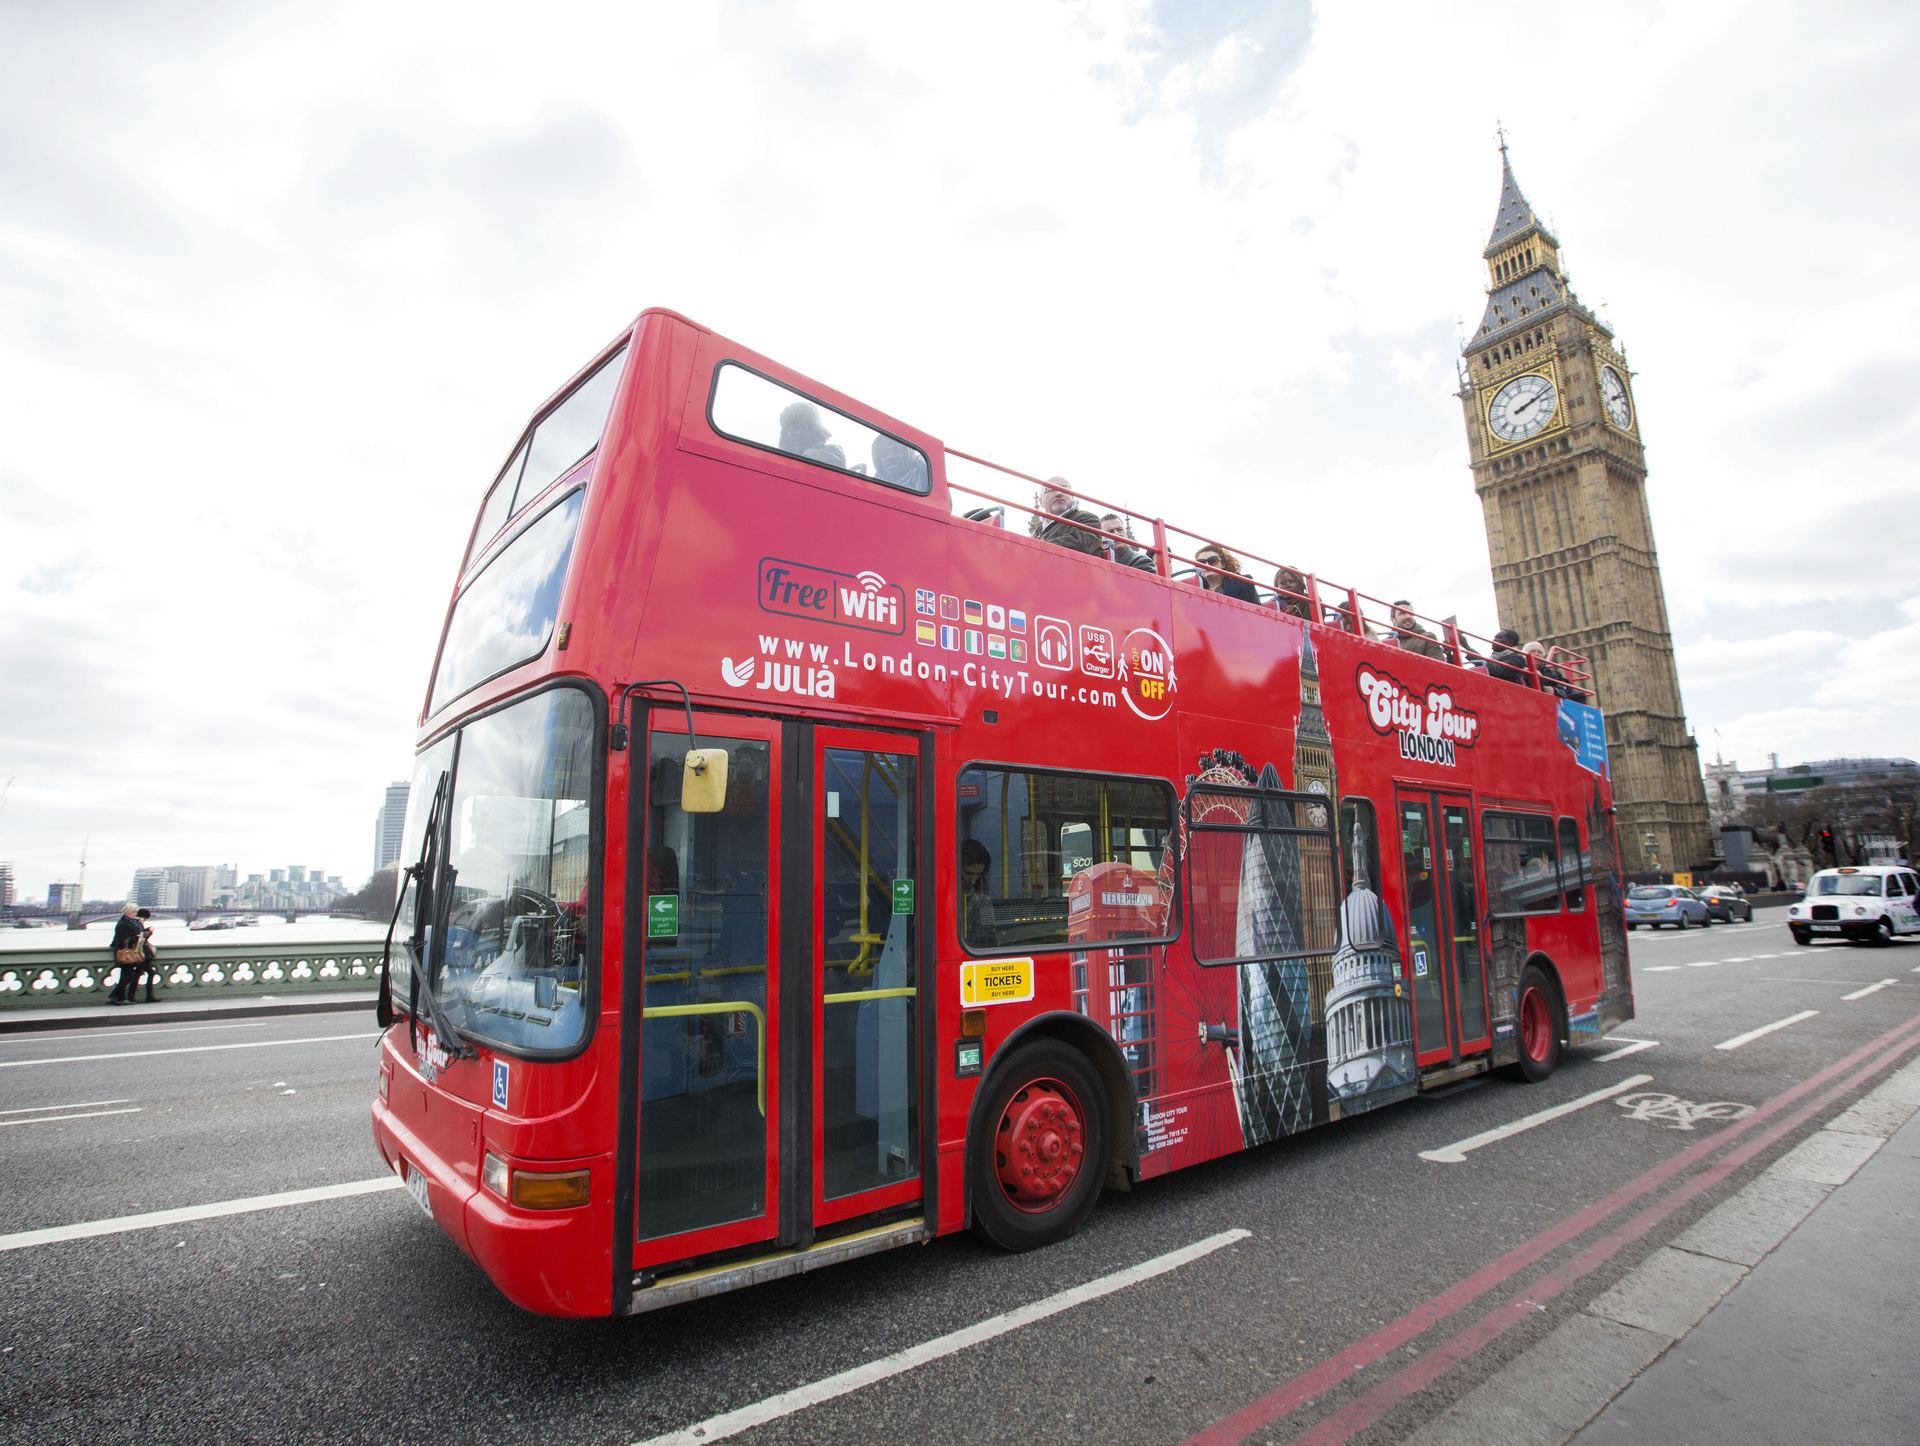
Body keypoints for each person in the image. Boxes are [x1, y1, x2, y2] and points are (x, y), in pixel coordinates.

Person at [1031, 478, 1106, 557]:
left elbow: (1083, 542)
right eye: (1051, 489)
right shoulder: (1038, 530)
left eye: (1064, 488)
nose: (1059, 493)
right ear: (1041, 501)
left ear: (1072, 497)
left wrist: (1040, 546)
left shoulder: (1087, 518)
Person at [777, 400, 845, 467]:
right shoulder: (778, 459)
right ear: (785, 433)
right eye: (792, 428)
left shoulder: (833, 453)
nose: (798, 433)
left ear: (815, 431)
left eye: (804, 427)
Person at [960, 839, 999, 947]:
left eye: (978, 875)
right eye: (968, 873)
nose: (973, 880)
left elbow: (990, 938)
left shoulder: (982, 901)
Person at [1194, 544, 1261, 604]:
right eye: (1201, 562)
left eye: (1212, 560)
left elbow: (1257, 611)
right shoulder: (1194, 588)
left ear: (1223, 564)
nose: (1207, 565)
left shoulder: (1242, 582)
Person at [107, 903, 143, 1005]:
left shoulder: (133, 922)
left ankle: (118, 997)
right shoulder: (123, 924)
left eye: (136, 911)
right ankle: (115, 996)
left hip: (131, 952)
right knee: (128, 976)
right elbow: (122, 940)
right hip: (124, 952)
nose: (135, 913)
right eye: (133, 912)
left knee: (126, 976)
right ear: (127, 912)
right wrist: (136, 937)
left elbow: (139, 932)